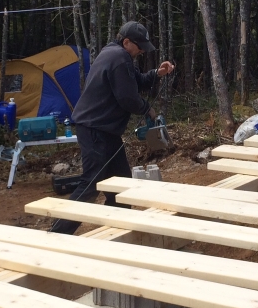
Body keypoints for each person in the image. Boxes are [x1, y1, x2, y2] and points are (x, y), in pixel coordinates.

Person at [50, 21, 175, 234]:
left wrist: (157, 73)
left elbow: (137, 81)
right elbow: (127, 98)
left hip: (104, 131)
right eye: (140, 46)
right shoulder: (119, 58)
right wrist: (148, 109)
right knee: (91, 183)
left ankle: (117, 230)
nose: (142, 51)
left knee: (120, 184)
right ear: (126, 42)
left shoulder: (114, 54)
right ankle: (57, 234)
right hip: (95, 129)